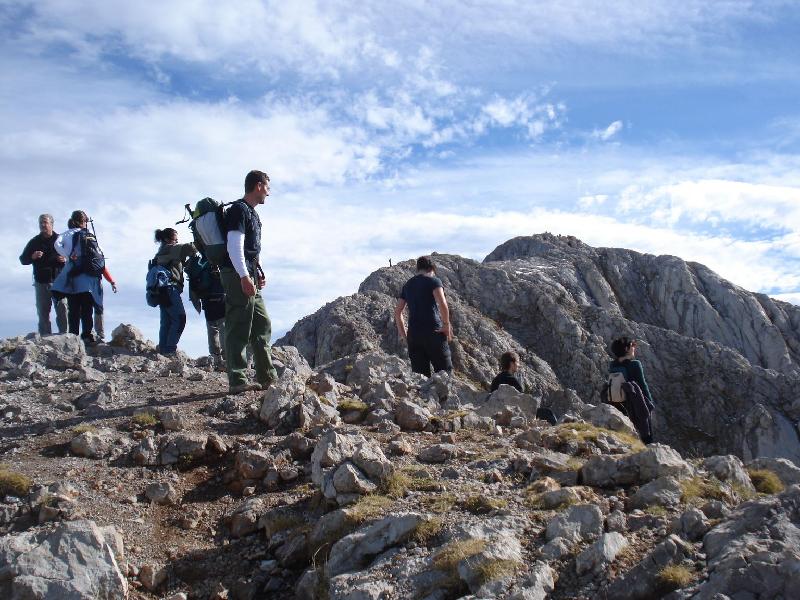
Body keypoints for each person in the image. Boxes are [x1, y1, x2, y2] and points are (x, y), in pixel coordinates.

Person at [219, 170, 279, 394]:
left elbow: (250, 248)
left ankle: (267, 376)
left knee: (262, 323)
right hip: (236, 274)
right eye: (267, 187)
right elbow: (234, 245)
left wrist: (257, 272)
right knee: (239, 324)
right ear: (258, 186)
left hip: (249, 272)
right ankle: (237, 379)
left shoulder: (252, 213)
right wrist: (244, 276)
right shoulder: (239, 210)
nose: (269, 193)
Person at [394, 256, 453, 378]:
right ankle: (443, 397)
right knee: (445, 375)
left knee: (421, 378)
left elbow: (398, 312)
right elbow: (442, 303)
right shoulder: (433, 281)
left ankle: (423, 397)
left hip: (414, 336)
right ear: (431, 268)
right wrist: (446, 325)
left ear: (418, 268)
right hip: (434, 332)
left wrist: (404, 335)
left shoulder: (407, 285)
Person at [51, 211, 103, 344]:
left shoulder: (67, 234)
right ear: (84, 221)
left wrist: (68, 255)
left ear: (72, 220)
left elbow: (57, 244)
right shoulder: (89, 235)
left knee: (73, 308)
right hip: (88, 278)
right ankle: (87, 335)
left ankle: (74, 336)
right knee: (87, 308)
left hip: (73, 276)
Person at [19, 214, 68, 335]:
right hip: (41, 282)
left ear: (52, 224)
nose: (42, 225)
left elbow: (73, 256)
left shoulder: (61, 239)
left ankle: (65, 336)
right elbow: (23, 259)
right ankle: (45, 338)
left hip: (59, 281)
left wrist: (65, 259)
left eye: (45, 222)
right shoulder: (34, 242)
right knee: (43, 312)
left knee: (63, 309)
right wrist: (32, 256)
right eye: (40, 223)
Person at [153, 228, 196, 355]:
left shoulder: (160, 253)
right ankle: (170, 350)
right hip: (170, 289)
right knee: (180, 318)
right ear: (167, 239)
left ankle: (163, 349)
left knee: (166, 321)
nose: (177, 242)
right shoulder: (172, 249)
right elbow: (192, 248)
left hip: (160, 290)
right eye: (175, 239)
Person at [490, 351, 558, 424]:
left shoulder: (495, 380)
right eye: (517, 362)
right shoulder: (512, 380)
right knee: (547, 412)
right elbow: (522, 400)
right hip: (516, 414)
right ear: (512, 364)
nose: (518, 365)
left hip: (497, 413)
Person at [609, 336, 655, 443]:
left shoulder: (612, 365)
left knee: (628, 437)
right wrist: (649, 405)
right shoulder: (635, 364)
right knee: (646, 437)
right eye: (632, 345)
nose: (634, 347)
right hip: (636, 404)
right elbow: (643, 386)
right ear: (626, 349)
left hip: (620, 405)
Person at [94, 267, 118, 342]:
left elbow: (103, 269)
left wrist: (112, 282)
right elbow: (104, 269)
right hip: (93, 285)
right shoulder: (98, 257)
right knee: (95, 308)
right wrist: (112, 282)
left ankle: (98, 334)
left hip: (92, 284)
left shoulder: (97, 257)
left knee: (98, 308)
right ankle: (96, 333)